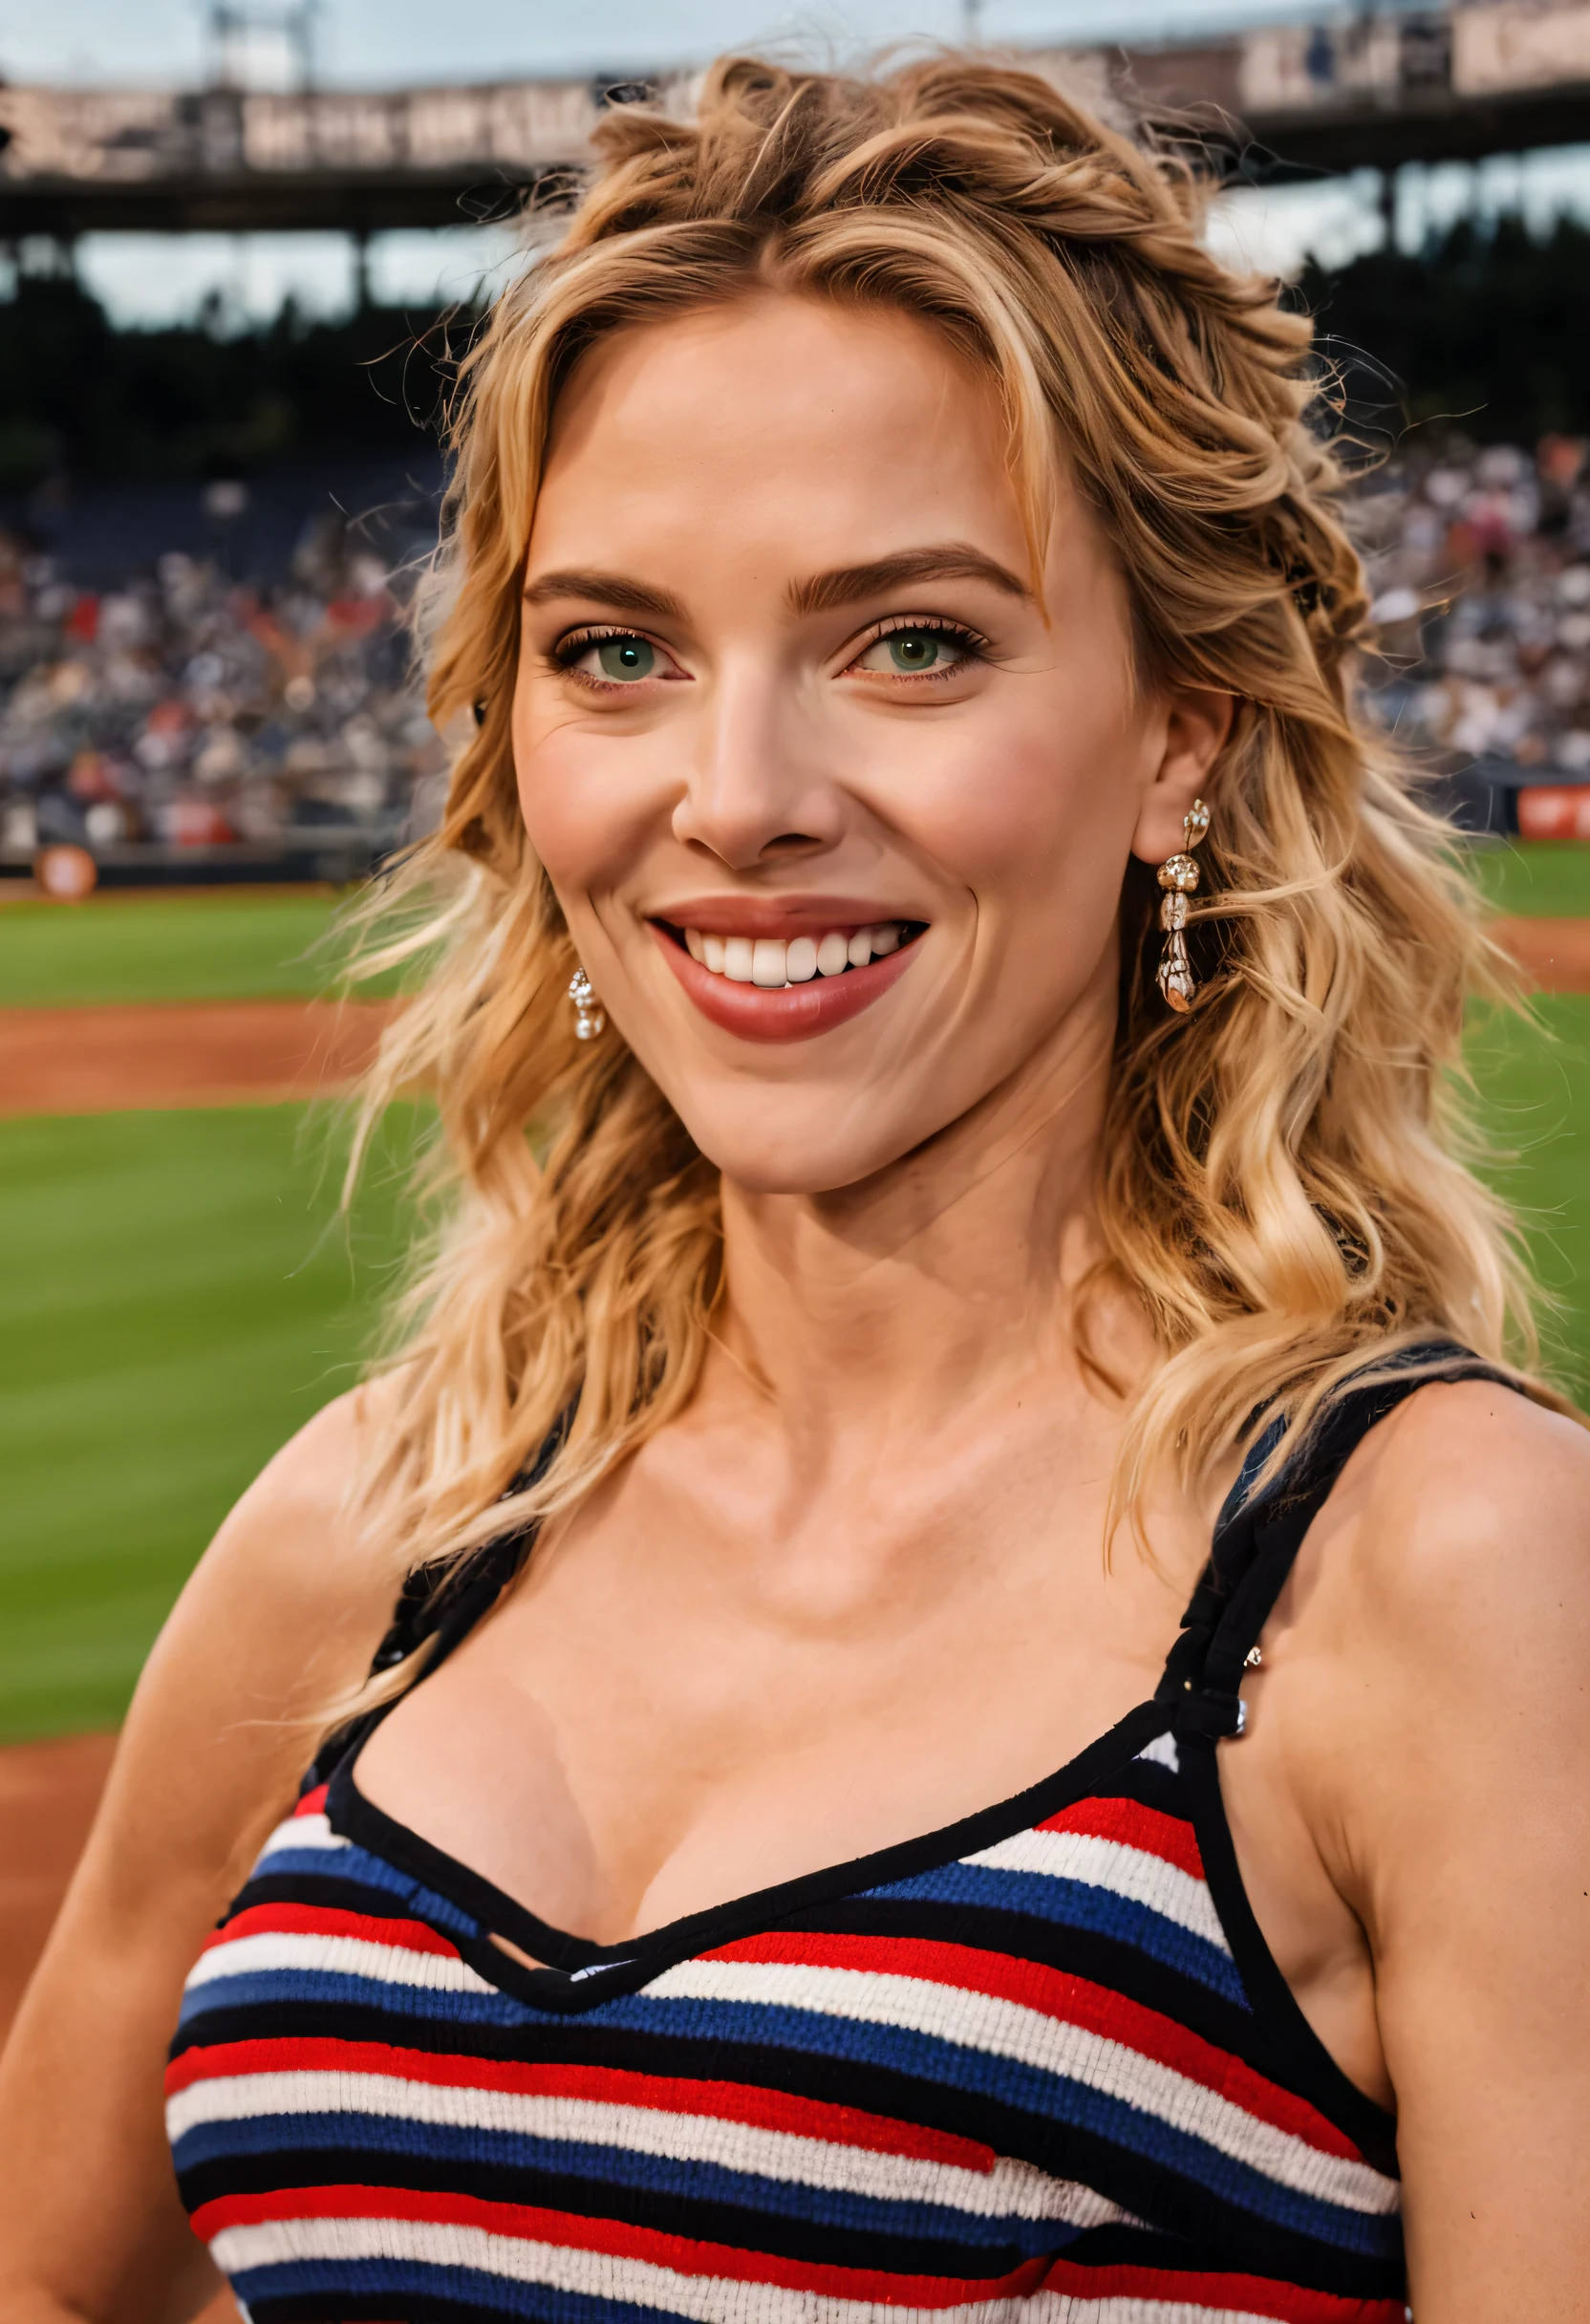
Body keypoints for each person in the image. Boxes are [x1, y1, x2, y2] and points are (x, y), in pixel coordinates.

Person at [2, 54, 1587, 2324]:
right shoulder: (374, 1530)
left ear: (1182, 734)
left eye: (909, 642)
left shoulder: (1448, 1575)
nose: (735, 797)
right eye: (615, 651)